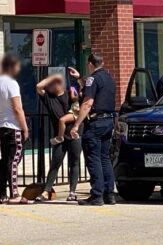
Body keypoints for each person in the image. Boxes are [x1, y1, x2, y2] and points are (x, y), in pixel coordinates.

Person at [70, 53, 116, 206]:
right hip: (109, 120)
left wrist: (76, 124)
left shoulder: (93, 79)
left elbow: (88, 102)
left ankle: (97, 195)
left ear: (90, 64)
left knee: (93, 157)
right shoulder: (109, 78)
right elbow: (95, 90)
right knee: (105, 158)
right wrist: (79, 79)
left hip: (96, 122)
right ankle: (109, 194)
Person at [35, 73, 82, 201]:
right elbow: (39, 87)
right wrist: (51, 78)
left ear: (58, 84)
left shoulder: (70, 94)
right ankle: (46, 191)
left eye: (51, 84)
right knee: (55, 163)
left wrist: (76, 78)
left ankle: (72, 192)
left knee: (74, 162)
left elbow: (81, 102)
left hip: (73, 134)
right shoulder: (49, 98)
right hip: (59, 136)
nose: (49, 86)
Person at [0, 54, 29, 204]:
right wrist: (25, 128)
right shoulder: (11, 83)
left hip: (1, 126)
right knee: (13, 161)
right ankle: (14, 193)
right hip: (13, 127)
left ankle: (2, 193)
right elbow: (18, 108)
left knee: (5, 160)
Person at [50, 76, 83, 145]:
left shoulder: (87, 90)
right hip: (75, 110)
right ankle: (73, 134)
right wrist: (77, 95)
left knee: (62, 120)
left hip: (78, 112)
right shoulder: (73, 88)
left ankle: (60, 137)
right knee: (62, 120)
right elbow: (73, 98)